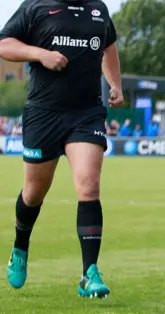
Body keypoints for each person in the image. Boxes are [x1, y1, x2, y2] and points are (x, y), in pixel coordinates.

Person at [1, 0, 124, 298]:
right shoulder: (36, 6)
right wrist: (40, 54)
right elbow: (5, 44)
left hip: (87, 113)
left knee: (88, 185)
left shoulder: (99, 9)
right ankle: (20, 246)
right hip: (44, 113)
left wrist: (115, 83)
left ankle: (89, 273)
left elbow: (108, 47)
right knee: (33, 193)